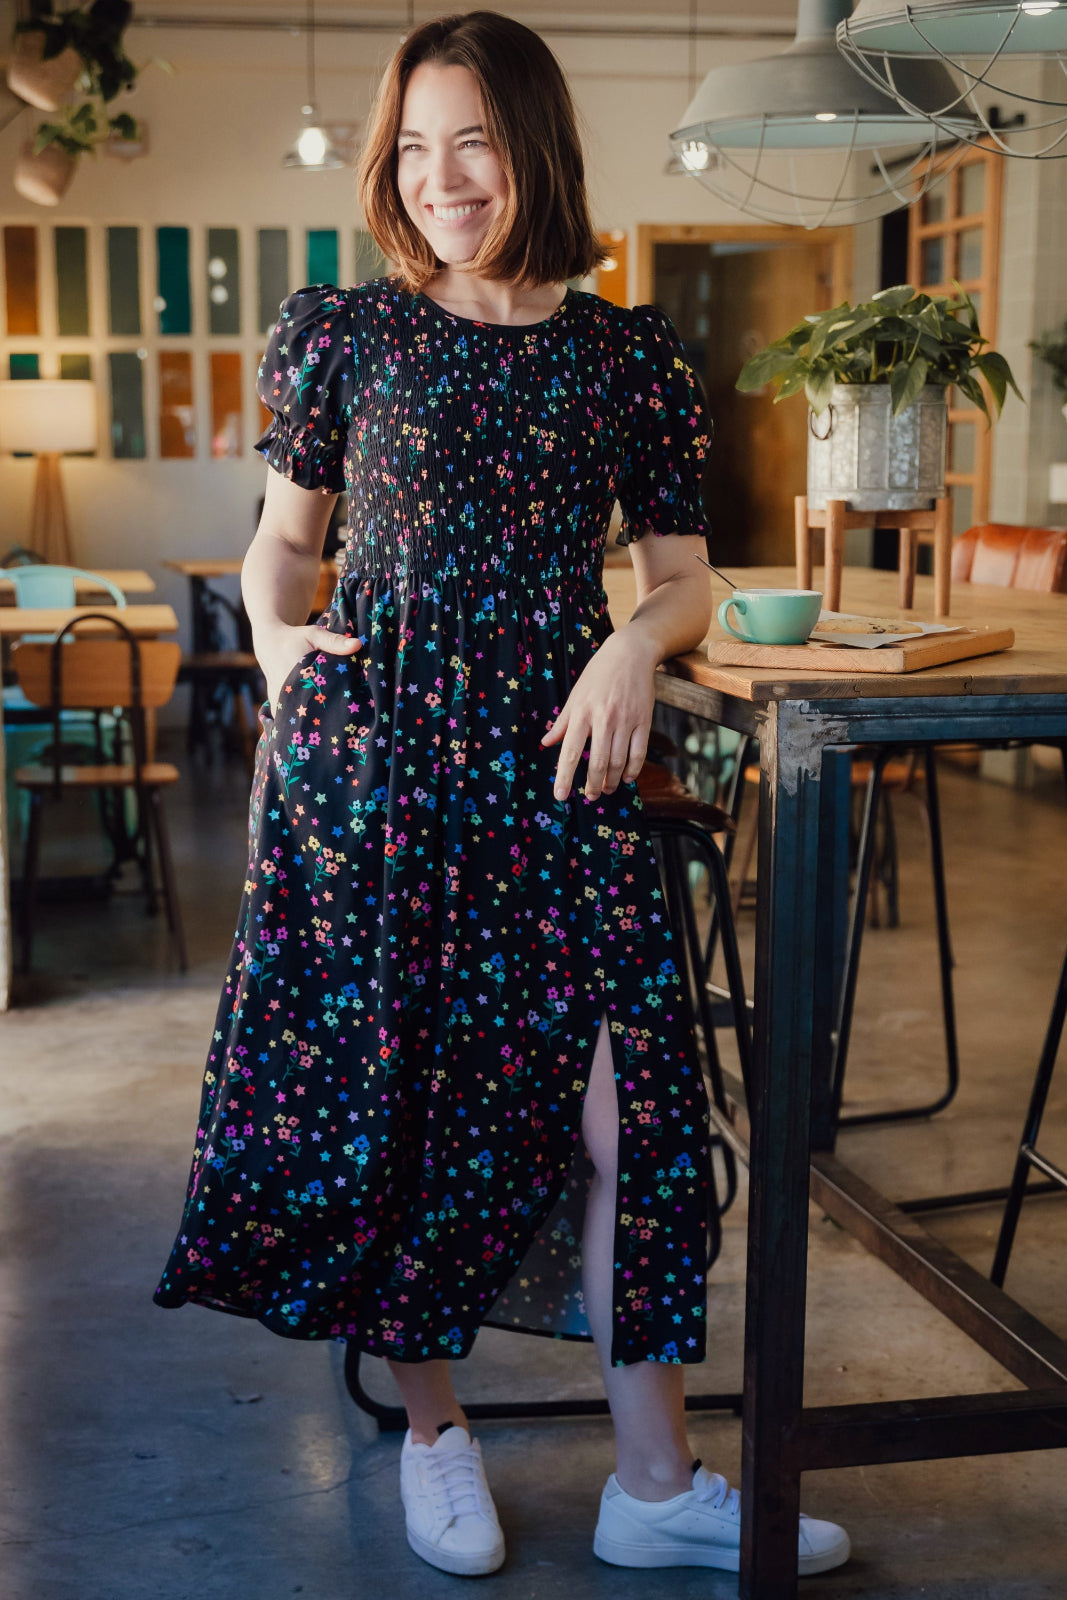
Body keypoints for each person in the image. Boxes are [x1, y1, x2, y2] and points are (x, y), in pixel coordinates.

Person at [154, 9, 850, 1580]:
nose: (443, 175)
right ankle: (438, 1437)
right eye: (414, 146)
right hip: (383, 774)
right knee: (400, 1109)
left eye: (470, 138)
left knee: (633, 1116)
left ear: (530, 143)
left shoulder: (626, 354)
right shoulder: (340, 333)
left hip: (560, 767)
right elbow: (283, 547)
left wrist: (631, 647)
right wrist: (281, 660)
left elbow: (688, 581)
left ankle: (653, 1484)